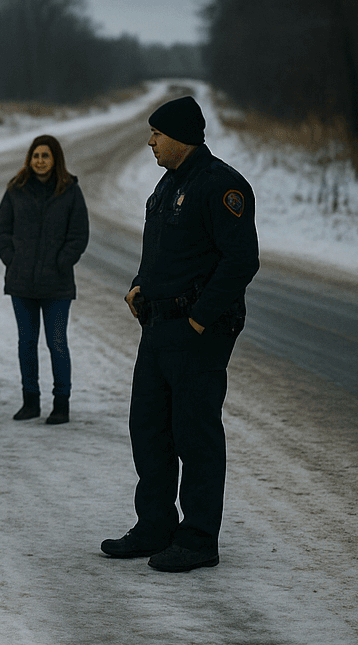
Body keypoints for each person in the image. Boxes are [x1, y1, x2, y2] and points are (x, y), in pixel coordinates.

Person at [102, 95, 259, 573]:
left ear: (181, 136)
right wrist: (138, 286)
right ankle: (155, 526)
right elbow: (165, 252)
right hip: (158, 327)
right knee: (148, 429)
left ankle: (197, 539)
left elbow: (240, 261)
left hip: (198, 333)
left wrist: (199, 318)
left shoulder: (221, 186)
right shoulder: (169, 184)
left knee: (196, 436)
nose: (150, 141)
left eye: (157, 133)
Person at [0, 134, 89, 425]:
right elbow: (1, 230)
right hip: (22, 283)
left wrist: (62, 262)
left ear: (55, 159)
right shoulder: (16, 188)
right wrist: (13, 259)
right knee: (27, 343)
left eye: (45, 156)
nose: (39, 161)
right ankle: (30, 402)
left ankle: (61, 404)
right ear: (30, 159)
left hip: (57, 285)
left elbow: (79, 235)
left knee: (57, 343)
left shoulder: (70, 191)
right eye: (35, 156)